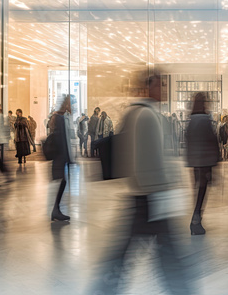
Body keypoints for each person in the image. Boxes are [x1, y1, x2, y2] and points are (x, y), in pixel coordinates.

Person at [88, 73, 192, 294]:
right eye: (160, 84)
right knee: (167, 257)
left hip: (143, 196)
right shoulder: (145, 115)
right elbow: (149, 159)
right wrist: (164, 191)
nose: (164, 90)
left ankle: (103, 288)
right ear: (148, 87)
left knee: (129, 253)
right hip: (150, 198)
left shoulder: (138, 112)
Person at [185, 92, 220, 235]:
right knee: (202, 191)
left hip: (195, 161)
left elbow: (188, 140)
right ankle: (196, 219)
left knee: (198, 189)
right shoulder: (205, 120)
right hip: (205, 161)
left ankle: (196, 218)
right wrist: (216, 158)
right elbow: (211, 140)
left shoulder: (191, 120)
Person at [49, 96, 74, 221]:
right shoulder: (59, 119)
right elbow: (62, 140)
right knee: (62, 182)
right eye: (70, 103)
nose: (72, 105)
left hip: (59, 157)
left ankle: (56, 209)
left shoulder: (58, 117)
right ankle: (55, 210)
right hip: (59, 157)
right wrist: (68, 158)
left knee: (62, 182)